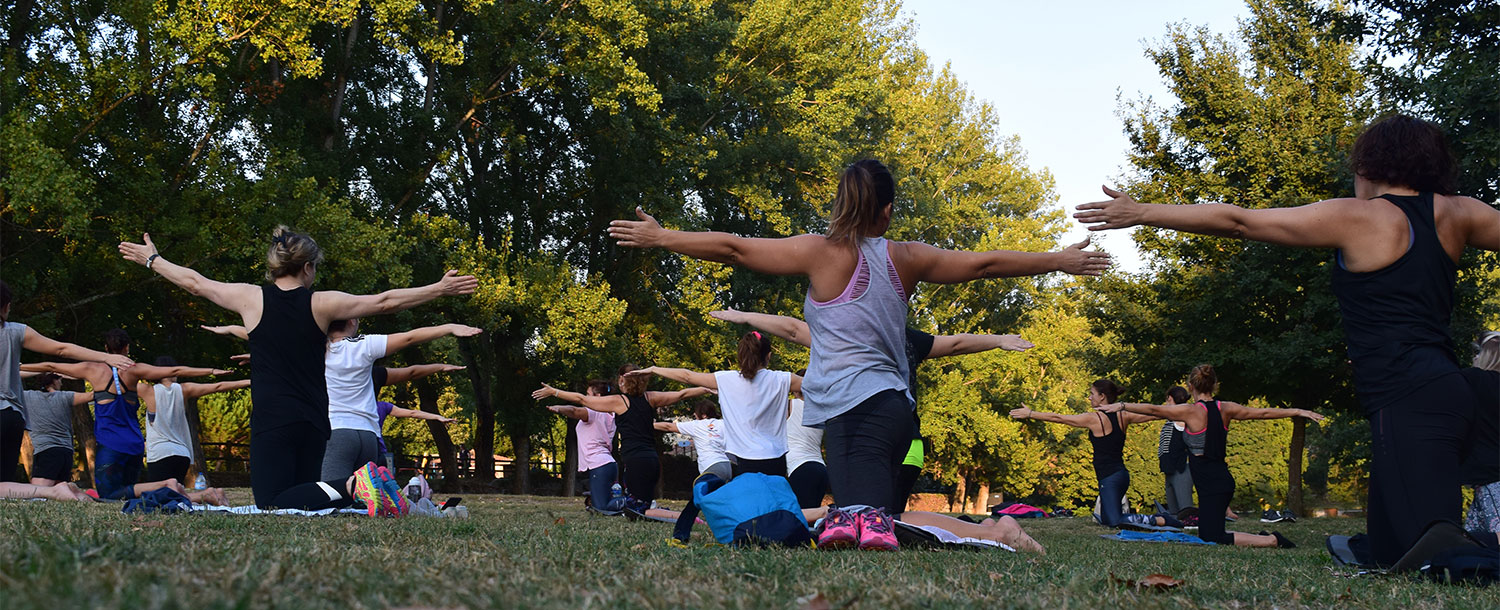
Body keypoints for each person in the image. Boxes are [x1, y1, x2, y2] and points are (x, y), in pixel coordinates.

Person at [610, 159, 1097, 550]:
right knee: (870, 521)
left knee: (868, 525)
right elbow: (983, 264)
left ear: (840, 205)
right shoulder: (907, 256)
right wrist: (1059, 260)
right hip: (894, 410)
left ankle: (997, 533)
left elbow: (736, 250)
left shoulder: (820, 252)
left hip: (856, 413)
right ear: (886, 211)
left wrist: (662, 237)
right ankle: (990, 532)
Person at [1077, 115, 1500, 564]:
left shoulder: (1360, 216)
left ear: (1369, 166)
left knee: (1431, 552)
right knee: (1388, 548)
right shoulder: (1460, 212)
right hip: (1445, 391)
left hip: (1409, 400)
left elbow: (1240, 222)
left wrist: (1143, 212)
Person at [118, 227, 477, 511]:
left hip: (275, 419)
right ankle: (364, 490)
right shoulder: (322, 303)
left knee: (272, 500)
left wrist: (154, 260)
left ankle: (356, 485)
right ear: (307, 267)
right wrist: (439, 289)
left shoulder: (250, 298)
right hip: (315, 420)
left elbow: (195, 284)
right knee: (307, 500)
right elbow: (384, 301)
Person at [708, 308, 1034, 511]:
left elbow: (794, 330)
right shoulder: (909, 339)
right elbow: (956, 344)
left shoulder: (849, 339)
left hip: (869, 444)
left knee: (869, 516)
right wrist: (998, 338)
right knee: (890, 517)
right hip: (911, 444)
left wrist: (746, 317)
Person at [1098, 364, 1323, 548]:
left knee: (1213, 537)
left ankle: (1273, 540)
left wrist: (1122, 405)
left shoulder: (1190, 411)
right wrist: (1297, 411)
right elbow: (1263, 413)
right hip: (1216, 482)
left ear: (1189, 386)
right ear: (1214, 385)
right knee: (1209, 532)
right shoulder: (1226, 408)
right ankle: (1263, 537)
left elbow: (1155, 409)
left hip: (1213, 484)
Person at [20, 329, 231, 501]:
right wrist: (211, 370)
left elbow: (51, 365)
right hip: (135, 444)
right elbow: (174, 369)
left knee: (109, 494)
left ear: (105, 349)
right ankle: (198, 494)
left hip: (111, 446)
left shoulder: (92, 369)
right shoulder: (135, 370)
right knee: (132, 493)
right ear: (127, 348)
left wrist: (18, 366)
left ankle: (167, 485)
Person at [0, 280, 134, 483]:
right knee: (4, 485)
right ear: (6, 306)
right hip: (13, 416)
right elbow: (62, 349)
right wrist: (105, 357)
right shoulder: (16, 331)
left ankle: (54, 492)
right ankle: (59, 491)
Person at [532, 365, 711, 513]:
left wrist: (554, 392)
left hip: (636, 461)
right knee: (642, 507)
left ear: (622, 381)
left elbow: (582, 399)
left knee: (638, 510)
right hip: (653, 460)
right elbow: (681, 394)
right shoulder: (651, 398)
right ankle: (679, 515)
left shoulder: (620, 402)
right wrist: (707, 387)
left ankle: (685, 517)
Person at [626, 331, 802, 477]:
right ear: (768, 356)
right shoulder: (783, 379)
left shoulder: (726, 379)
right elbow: (818, 384)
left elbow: (687, 376)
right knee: (775, 509)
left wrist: (654, 369)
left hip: (744, 459)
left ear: (741, 355)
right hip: (775, 458)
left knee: (750, 510)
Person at [1008, 379, 1159, 527]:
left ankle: (1160, 519)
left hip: (1110, 478)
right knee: (1107, 520)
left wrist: (1031, 413)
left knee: (1114, 521)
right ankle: (1153, 518)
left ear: (1102, 396)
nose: (1089, 397)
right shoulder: (1124, 415)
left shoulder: (1094, 418)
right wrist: (1173, 410)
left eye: (1092, 393)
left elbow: (1058, 418)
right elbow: (1153, 413)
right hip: (1119, 475)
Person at [138, 357, 247, 497]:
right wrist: (249, 381)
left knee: (159, 499)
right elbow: (218, 386)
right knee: (174, 496)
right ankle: (209, 495)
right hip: (182, 453)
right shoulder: (185, 389)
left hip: (160, 453)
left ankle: (207, 496)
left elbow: (122, 383)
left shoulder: (147, 390)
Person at [654, 400, 729, 542]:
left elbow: (668, 426)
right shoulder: (723, 423)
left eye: (696, 414)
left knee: (695, 501)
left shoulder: (697, 425)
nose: (694, 416)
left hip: (711, 468)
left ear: (703, 415)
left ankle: (680, 536)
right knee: (716, 503)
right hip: (726, 466)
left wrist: (646, 424)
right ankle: (728, 533)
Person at [543, 380, 620, 514]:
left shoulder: (594, 412)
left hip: (600, 465)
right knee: (599, 504)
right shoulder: (611, 414)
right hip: (607, 464)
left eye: (588, 394)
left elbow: (574, 411)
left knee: (601, 508)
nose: (585, 397)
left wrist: (559, 408)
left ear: (598, 397)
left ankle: (629, 503)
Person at [1459, 331, 1499, 537]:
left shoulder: (1475, 379)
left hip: (1491, 474)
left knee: (1491, 535)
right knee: (1473, 537)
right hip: (1488, 476)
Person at [23, 373, 93, 487]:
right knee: (60, 492)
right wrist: (79, 375)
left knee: (38, 493)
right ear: (53, 381)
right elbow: (93, 395)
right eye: (60, 380)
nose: (62, 382)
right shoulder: (66, 396)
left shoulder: (27, 396)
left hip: (46, 451)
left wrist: (38, 370)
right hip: (66, 452)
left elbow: (9, 379)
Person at [1156, 386, 1195, 515]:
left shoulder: (1182, 419)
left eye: (1168, 400)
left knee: (1185, 508)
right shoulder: (1171, 419)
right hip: (1169, 468)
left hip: (1181, 468)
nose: (1166, 404)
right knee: (1173, 510)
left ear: (1171, 399)